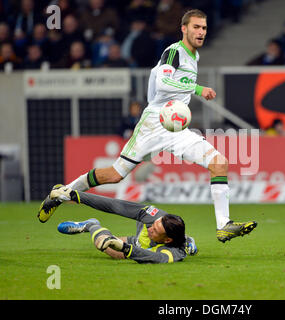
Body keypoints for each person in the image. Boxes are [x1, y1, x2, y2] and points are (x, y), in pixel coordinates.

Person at [38, 9, 257, 243]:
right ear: (184, 29)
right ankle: (59, 194)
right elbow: (163, 82)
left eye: (203, 28)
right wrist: (197, 89)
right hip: (154, 124)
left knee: (219, 163)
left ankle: (223, 225)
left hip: (176, 128)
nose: (201, 32)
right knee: (114, 175)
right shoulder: (174, 52)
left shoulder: (194, 57)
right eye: (196, 27)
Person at [49, 185, 197, 264]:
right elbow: (116, 206)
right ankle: (91, 224)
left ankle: (91, 225)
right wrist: (75, 195)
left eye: (156, 229)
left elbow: (156, 259)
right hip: (142, 241)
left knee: (111, 249)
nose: (151, 227)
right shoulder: (154, 216)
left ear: (167, 240)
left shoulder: (174, 252)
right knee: (110, 245)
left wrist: (124, 248)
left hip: (144, 245)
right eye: (155, 224)